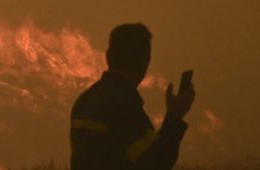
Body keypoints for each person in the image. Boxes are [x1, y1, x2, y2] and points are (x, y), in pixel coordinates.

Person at [70, 23, 195, 170]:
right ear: (145, 61)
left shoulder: (84, 101)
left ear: (108, 56)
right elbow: (156, 162)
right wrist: (174, 117)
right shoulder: (123, 107)